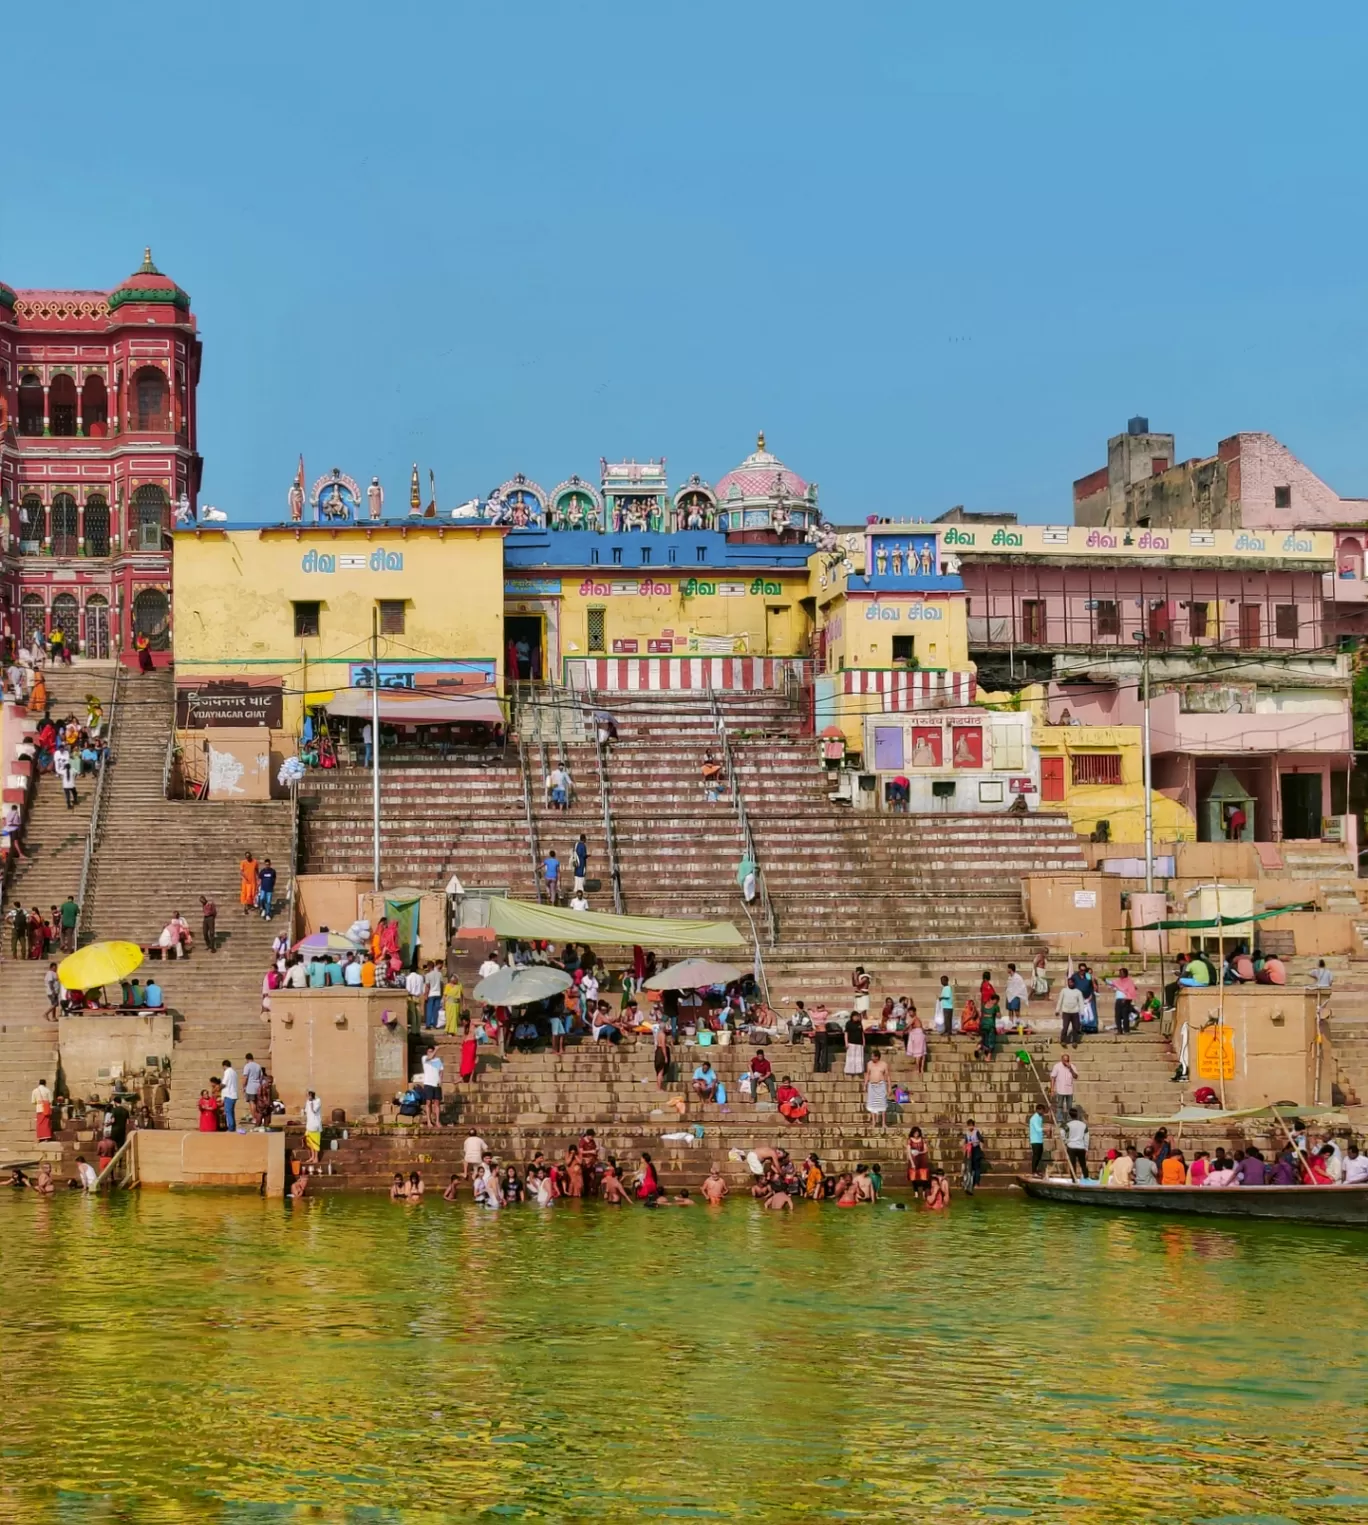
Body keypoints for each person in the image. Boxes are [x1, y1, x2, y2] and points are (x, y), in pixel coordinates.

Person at [1048, 1050, 1077, 1131]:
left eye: (1067, 1060)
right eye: (1064, 1060)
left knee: (1069, 1106)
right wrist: (1052, 1089)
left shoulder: (1072, 1066)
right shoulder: (1057, 1066)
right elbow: (1052, 1077)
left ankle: (1069, 1120)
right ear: (1062, 1060)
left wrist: (1070, 1068)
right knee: (1060, 1106)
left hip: (1069, 1090)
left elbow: (1076, 1076)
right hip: (1060, 1090)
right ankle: (1060, 1120)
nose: (1066, 1062)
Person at [1106, 967, 1138, 1035]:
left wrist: (1126, 999)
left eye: (1122, 973)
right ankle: (1119, 1030)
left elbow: (1132, 991)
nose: (1120, 974)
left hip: (1125, 1000)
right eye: (1120, 973)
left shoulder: (1129, 982)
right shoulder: (1117, 981)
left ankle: (1126, 1031)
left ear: (1125, 974)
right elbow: (1111, 983)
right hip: (1118, 1000)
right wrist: (1104, 979)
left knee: (1125, 1016)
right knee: (1117, 1016)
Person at [421, 1043, 445, 1128]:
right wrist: (436, 1049)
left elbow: (441, 1071)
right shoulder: (425, 1058)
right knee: (428, 1102)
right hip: (428, 1083)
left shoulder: (438, 1060)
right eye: (429, 1052)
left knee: (437, 1103)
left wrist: (441, 1080)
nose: (431, 1053)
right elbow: (430, 1057)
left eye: (432, 1051)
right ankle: (429, 1121)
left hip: (436, 1084)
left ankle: (438, 1121)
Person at [864, 1050, 890, 1128]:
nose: (871, 1058)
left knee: (883, 1104)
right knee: (872, 1105)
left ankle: (883, 1123)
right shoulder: (869, 1064)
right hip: (872, 1086)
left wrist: (889, 1087)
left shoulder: (884, 1064)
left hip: (881, 1085)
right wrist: (865, 1084)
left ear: (877, 1057)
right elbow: (867, 1074)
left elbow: (888, 1076)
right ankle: (874, 1123)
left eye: (873, 1056)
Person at [1056, 976, 1084, 1047]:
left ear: (1074, 983)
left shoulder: (1078, 992)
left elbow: (1081, 1003)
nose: (1070, 984)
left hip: (1075, 1012)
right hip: (1066, 1012)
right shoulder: (1064, 991)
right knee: (1065, 1027)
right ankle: (1063, 1041)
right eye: (1069, 982)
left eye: (1071, 982)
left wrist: (1082, 1012)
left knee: (1076, 1027)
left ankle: (1074, 1041)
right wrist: (1057, 1010)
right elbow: (1060, 1000)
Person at [1065, 1109, 1089, 1179]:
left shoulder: (1067, 1125)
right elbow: (1087, 1137)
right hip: (1081, 1147)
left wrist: (1066, 1142)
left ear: (1069, 1116)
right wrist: (1086, 1148)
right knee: (1083, 1164)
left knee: (1072, 1165)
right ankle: (1086, 1178)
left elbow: (1062, 1134)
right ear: (1077, 1115)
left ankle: (1073, 1180)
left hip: (1071, 1147)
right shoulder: (1083, 1125)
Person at [243, 1052, 264, 1124]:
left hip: (250, 1087)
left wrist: (243, 1086)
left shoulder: (247, 1066)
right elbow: (261, 1077)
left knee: (252, 1103)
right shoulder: (258, 1066)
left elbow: (245, 1077)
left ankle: (254, 1118)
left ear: (247, 1059)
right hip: (257, 1086)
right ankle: (259, 1117)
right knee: (257, 1103)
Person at [844, 1012, 866, 1078]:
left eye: (857, 1016)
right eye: (855, 1016)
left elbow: (862, 1033)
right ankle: (850, 1071)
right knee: (851, 1058)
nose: (856, 1018)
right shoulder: (848, 1023)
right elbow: (846, 1033)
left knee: (859, 1058)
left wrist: (864, 1041)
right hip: (851, 1043)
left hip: (859, 1043)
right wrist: (846, 1042)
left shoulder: (859, 1023)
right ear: (852, 1017)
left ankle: (858, 1070)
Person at [963, 1120, 984, 1189]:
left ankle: (977, 1183)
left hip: (976, 1150)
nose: (970, 1127)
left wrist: (974, 1142)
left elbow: (981, 1140)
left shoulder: (976, 1132)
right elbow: (965, 1142)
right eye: (969, 1125)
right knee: (970, 1168)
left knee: (976, 1167)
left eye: (971, 1125)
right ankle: (970, 1183)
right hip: (970, 1151)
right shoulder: (966, 1133)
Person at [220, 1060, 240, 1132]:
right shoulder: (234, 1072)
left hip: (229, 1095)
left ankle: (231, 1128)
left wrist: (218, 1088)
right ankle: (233, 1127)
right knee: (231, 1112)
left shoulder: (227, 1071)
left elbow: (224, 1083)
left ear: (224, 1066)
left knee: (228, 1112)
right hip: (233, 1094)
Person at [1028, 1103, 1047, 1175]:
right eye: (1042, 1111)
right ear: (1038, 1110)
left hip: (1040, 1140)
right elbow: (1038, 1129)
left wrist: (1044, 1132)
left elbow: (1040, 1129)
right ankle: (1033, 1171)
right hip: (1035, 1140)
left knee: (1039, 1156)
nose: (1043, 1112)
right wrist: (1046, 1129)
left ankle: (1036, 1170)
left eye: (1043, 1111)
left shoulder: (1040, 1118)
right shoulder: (1034, 1118)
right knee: (1035, 1156)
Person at [303, 1091, 323, 1162]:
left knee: (316, 1142)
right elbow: (306, 1111)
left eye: (309, 1096)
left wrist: (311, 1104)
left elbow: (314, 1110)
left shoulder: (318, 1100)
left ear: (312, 1095)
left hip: (316, 1125)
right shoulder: (307, 1101)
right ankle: (312, 1156)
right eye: (307, 1096)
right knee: (310, 1142)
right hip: (309, 1125)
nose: (308, 1097)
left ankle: (316, 1158)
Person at [239, 852, 259, 917]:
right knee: (245, 894)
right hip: (245, 882)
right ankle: (245, 908)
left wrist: (259, 878)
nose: (247, 858)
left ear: (251, 856)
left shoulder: (255, 862)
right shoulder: (243, 862)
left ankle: (251, 904)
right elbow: (241, 872)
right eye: (246, 857)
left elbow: (257, 870)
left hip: (253, 881)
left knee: (252, 893)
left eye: (248, 856)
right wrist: (245, 876)